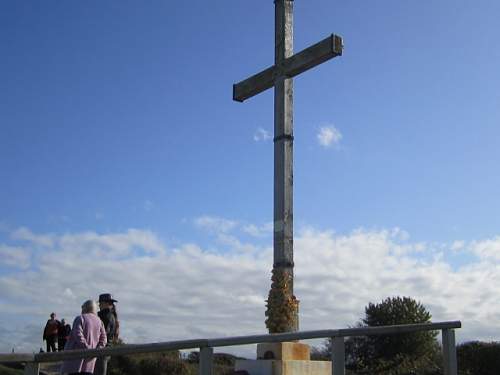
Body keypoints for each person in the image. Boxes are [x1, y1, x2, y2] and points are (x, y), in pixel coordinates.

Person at [60, 300, 106, 375]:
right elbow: (103, 339)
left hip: (74, 362)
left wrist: (87, 350)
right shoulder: (100, 322)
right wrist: (95, 351)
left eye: (82, 307)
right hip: (90, 363)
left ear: (86, 308)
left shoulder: (80, 318)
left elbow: (78, 335)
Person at [93, 293, 119, 375]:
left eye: (100, 303)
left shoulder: (105, 316)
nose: (99, 305)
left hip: (102, 350)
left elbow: (103, 333)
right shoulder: (112, 316)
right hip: (106, 349)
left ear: (106, 303)